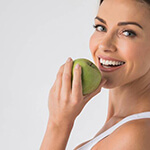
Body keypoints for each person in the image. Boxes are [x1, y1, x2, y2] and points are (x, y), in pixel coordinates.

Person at [40, 0, 150, 149]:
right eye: (101, 27)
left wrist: (58, 124)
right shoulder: (121, 125)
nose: (104, 45)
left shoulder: (134, 135)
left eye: (127, 32)